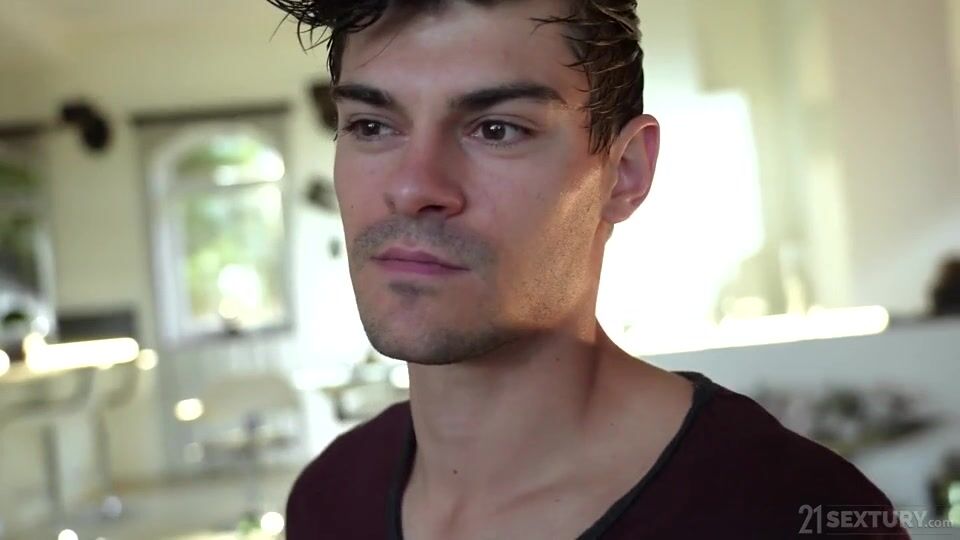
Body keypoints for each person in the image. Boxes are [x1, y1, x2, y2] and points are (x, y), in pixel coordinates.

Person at [267, 0, 908, 537]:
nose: (413, 187)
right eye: (372, 125)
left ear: (625, 172)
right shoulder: (330, 500)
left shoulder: (787, 512)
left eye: (497, 130)